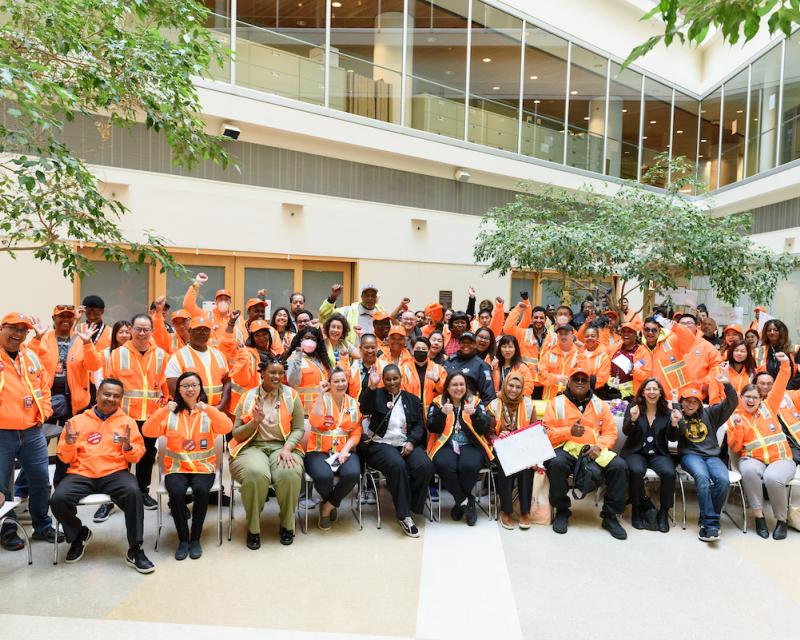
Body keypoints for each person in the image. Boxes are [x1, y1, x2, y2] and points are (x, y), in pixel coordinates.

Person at [50, 378, 154, 573]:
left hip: (114, 472)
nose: (111, 399)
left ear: (121, 399)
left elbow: (138, 455)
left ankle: (135, 549)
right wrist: (70, 443)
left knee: (134, 492)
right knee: (58, 499)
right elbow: (64, 457)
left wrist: (128, 447)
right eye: (107, 394)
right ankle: (79, 534)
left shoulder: (127, 422)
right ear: (97, 394)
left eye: (116, 396)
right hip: (82, 472)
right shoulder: (77, 421)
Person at [141, 372, 232, 559]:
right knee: (175, 492)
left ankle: (195, 538)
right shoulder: (170, 413)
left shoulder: (207, 412)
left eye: (194, 385)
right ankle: (183, 539)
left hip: (203, 467)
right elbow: (147, 431)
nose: (190, 389)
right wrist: (163, 411)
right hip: (176, 467)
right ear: (178, 389)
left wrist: (209, 409)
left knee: (201, 491)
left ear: (200, 388)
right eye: (186, 386)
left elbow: (227, 428)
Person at [542, 366, 628, 539]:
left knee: (620, 467)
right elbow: (546, 434)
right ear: (569, 381)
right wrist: (568, 432)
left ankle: (610, 516)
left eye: (584, 380)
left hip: (594, 450)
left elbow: (611, 432)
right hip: (566, 449)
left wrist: (600, 446)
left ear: (590, 383)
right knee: (555, 464)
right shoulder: (556, 403)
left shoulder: (599, 404)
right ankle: (562, 511)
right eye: (576, 379)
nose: (580, 382)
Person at [229, 356, 305, 548]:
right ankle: (253, 528)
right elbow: (236, 434)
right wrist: (254, 422)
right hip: (251, 446)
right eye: (272, 372)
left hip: (282, 446)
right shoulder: (247, 397)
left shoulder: (291, 395)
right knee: (255, 474)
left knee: (289, 473)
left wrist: (288, 447)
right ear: (262, 373)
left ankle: (287, 525)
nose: (277, 376)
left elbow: (298, 428)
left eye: (280, 372)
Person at [0, 312, 59, 551]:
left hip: (32, 431)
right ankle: (7, 529)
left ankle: (42, 525)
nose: (18, 335)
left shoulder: (30, 356)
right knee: (2, 486)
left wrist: (43, 413)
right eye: (13, 329)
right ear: (1, 328)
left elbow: (44, 387)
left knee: (40, 481)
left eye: (23, 330)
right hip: (2, 432)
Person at [358, 364, 434, 538]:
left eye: (395, 378)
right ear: (383, 380)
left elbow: (419, 427)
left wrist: (412, 442)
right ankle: (404, 515)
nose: (392, 382)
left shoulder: (412, 399)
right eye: (388, 379)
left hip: (404, 443)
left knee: (425, 466)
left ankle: (411, 504)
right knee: (397, 464)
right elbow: (364, 408)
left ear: (401, 378)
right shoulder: (376, 394)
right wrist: (371, 386)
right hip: (379, 444)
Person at [104, 313, 170, 510]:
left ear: (152, 332)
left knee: (147, 455)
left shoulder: (162, 356)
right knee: (118, 455)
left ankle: (143, 491)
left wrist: (163, 412)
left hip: (151, 417)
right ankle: (111, 498)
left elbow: (166, 390)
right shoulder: (116, 355)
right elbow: (109, 386)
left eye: (146, 329)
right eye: (138, 329)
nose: (142, 333)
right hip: (123, 417)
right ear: (131, 329)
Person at [727, 353, 795, 540]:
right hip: (752, 459)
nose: (751, 400)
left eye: (755, 397)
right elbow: (734, 446)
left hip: (780, 459)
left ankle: (781, 520)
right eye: (747, 396)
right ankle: (759, 517)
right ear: (741, 398)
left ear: (760, 398)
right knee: (748, 471)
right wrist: (739, 427)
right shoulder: (735, 418)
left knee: (773, 478)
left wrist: (784, 364)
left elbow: (781, 382)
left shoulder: (769, 406)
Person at [669, 375, 738, 542]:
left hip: (712, 456)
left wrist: (727, 384)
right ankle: (711, 524)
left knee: (723, 480)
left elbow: (732, 403)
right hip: (690, 455)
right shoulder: (678, 415)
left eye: (695, 401)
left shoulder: (711, 413)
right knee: (702, 478)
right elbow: (672, 437)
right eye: (687, 401)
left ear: (700, 403)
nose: (691, 404)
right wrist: (675, 420)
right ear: (682, 401)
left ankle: (707, 519)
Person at [426, 372, 492, 527]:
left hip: (471, 444)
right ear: (447, 387)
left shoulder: (475, 402)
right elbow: (432, 427)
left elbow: (484, 428)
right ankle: (466, 501)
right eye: (454, 385)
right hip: (445, 444)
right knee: (444, 464)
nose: (458, 388)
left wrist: (475, 415)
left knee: (468, 465)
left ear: (466, 386)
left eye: (461, 384)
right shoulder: (437, 402)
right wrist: (442, 414)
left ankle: (459, 504)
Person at [306, 369, 362, 530]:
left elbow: (356, 431)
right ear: (329, 384)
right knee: (323, 476)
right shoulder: (321, 400)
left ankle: (327, 507)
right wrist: (320, 395)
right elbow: (315, 421)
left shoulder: (352, 403)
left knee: (352, 474)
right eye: (336, 381)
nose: (340, 384)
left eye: (343, 380)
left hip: (344, 450)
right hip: (318, 450)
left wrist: (346, 450)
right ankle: (331, 503)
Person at [620, 378, 678, 532]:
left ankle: (663, 513)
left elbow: (672, 438)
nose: (652, 392)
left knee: (669, 473)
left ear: (660, 393)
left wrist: (674, 424)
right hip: (636, 451)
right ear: (643, 392)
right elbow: (626, 432)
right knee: (637, 471)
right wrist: (632, 419)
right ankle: (637, 510)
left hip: (658, 452)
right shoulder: (634, 407)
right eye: (648, 389)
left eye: (655, 389)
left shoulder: (667, 411)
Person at [486, 373, 537, 530]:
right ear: (504, 385)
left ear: (522, 389)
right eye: (511, 386)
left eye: (518, 387)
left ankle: (524, 511)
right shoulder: (494, 405)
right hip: (500, 447)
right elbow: (488, 432)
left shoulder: (529, 405)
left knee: (526, 466)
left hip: (522, 447)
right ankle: (506, 510)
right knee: (507, 462)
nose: (514, 390)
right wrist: (497, 436)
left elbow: (534, 432)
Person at [165, 316, 230, 412]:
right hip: (191, 413)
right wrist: (193, 408)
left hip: (217, 412)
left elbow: (227, 382)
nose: (202, 333)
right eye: (197, 329)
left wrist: (222, 405)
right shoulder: (178, 357)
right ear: (190, 331)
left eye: (206, 330)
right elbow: (173, 390)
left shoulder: (219, 355)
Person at [503, 301, 554, 398]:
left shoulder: (554, 337)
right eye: (535, 317)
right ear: (531, 319)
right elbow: (507, 329)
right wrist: (518, 309)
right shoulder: (523, 334)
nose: (538, 320)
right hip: (526, 382)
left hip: (546, 384)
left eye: (541, 318)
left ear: (546, 319)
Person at [634, 316, 695, 396]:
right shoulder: (640, 351)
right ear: (643, 330)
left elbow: (690, 340)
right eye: (647, 329)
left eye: (654, 330)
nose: (650, 333)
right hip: (654, 398)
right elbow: (639, 379)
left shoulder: (671, 340)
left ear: (660, 330)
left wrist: (675, 327)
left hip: (677, 395)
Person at [319, 283, 389, 343]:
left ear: (376, 298)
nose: (370, 298)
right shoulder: (347, 312)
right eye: (367, 295)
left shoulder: (383, 315)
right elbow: (325, 316)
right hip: (353, 356)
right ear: (362, 297)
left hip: (376, 356)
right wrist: (332, 297)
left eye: (373, 296)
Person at [285, 326, 331, 413]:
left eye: (313, 339)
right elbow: (292, 382)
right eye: (307, 338)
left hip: (320, 410)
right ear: (300, 340)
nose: (310, 341)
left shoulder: (319, 360)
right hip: (302, 411)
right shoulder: (293, 358)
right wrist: (299, 355)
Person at [678, 313, 723, 399]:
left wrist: (706, 384)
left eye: (689, 323)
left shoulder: (707, 346)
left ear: (696, 326)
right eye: (682, 323)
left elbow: (717, 366)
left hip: (697, 396)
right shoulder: (670, 343)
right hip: (673, 396)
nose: (686, 326)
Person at [538, 323, 586, 401]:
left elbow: (583, 380)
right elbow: (540, 375)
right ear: (557, 336)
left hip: (571, 401)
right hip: (549, 401)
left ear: (572, 336)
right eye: (560, 334)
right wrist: (555, 378)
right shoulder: (549, 354)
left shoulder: (580, 356)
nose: (563, 336)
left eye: (566, 334)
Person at [443, 331, 496, 402]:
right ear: (459, 344)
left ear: (475, 345)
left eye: (469, 343)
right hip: (448, 406)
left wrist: (478, 411)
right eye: (463, 342)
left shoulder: (482, 366)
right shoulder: (450, 361)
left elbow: (489, 396)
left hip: (470, 407)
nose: (466, 345)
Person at [404, 336, 445, 417]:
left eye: (424, 349)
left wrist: (437, 381)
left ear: (429, 351)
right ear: (412, 350)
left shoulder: (438, 369)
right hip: (410, 411)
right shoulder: (404, 368)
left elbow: (445, 391)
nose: (420, 351)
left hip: (432, 413)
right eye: (418, 348)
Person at [608, 323, 647, 399]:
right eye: (624, 331)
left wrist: (633, 369)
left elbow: (645, 376)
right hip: (612, 389)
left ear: (635, 335)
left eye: (630, 332)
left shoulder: (642, 351)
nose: (626, 334)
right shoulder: (615, 348)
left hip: (630, 395)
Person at [581, 326, 611, 398]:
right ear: (583, 338)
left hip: (596, 394)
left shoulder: (604, 357)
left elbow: (602, 379)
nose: (589, 338)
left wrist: (582, 385)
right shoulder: (578, 353)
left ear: (597, 337)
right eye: (587, 336)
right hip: (577, 392)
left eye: (593, 336)